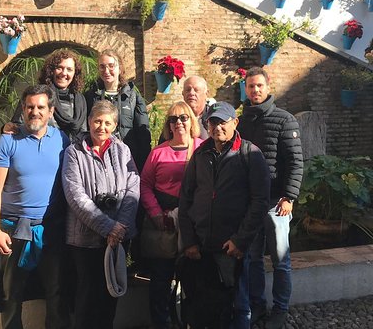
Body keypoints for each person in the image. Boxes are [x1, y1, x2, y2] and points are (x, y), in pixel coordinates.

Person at [178, 102, 270, 329]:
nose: (217, 127)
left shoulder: (250, 154)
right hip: (202, 246)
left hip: (232, 247)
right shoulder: (200, 154)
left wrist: (241, 240)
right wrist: (189, 240)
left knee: (238, 304)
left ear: (235, 122)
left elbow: (260, 202)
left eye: (223, 122)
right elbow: (186, 199)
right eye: (213, 122)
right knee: (205, 305)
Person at [0, 85, 70, 329]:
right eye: (30, 107)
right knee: (12, 293)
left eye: (41, 107)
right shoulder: (7, 141)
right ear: (22, 110)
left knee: (55, 290)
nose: (35, 112)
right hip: (14, 228)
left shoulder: (61, 140)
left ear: (51, 111)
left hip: (51, 228)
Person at [62, 100, 140, 329]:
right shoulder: (74, 152)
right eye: (97, 121)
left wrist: (121, 226)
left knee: (110, 294)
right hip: (85, 239)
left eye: (107, 122)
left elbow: (132, 188)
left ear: (115, 125)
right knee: (87, 295)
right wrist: (107, 226)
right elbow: (75, 195)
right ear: (89, 122)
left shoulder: (122, 150)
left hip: (116, 238)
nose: (101, 127)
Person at [237, 67, 303, 329]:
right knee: (252, 258)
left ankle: (280, 308)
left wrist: (289, 196)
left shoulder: (284, 120)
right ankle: (257, 305)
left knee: (280, 260)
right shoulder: (240, 122)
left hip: (277, 203)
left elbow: (296, 161)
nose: (254, 91)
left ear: (267, 86)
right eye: (250, 87)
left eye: (258, 86)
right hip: (251, 203)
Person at [140, 101, 204, 329]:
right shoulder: (158, 152)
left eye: (183, 118)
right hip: (163, 223)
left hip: (192, 223)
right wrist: (156, 214)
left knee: (193, 281)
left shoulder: (202, 148)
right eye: (173, 119)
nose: (179, 123)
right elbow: (145, 185)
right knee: (160, 280)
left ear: (191, 121)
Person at [85, 49, 151, 171]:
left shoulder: (132, 97)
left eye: (111, 66)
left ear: (120, 68)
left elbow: (143, 135)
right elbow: (85, 130)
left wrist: (143, 167)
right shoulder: (90, 96)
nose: (106, 71)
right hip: (98, 162)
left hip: (127, 162)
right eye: (102, 66)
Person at [5, 49, 87, 141]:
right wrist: (8, 127)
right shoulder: (36, 95)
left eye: (69, 69)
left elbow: (83, 133)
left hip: (71, 153)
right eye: (59, 68)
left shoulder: (81, 101)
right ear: (51, 70)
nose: (64, 73)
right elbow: (16, 126)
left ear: (75, 73)